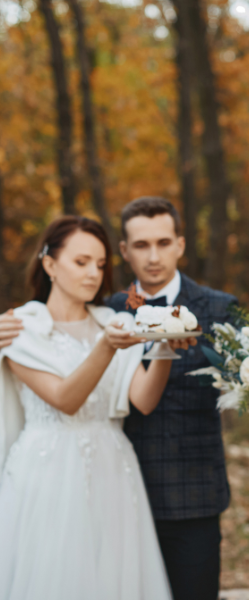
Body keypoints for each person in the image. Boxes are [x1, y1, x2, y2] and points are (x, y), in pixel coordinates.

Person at [0, 216, 190, 600]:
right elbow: (66, 400)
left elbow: (143, 400)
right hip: (48, 472)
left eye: (101, 265)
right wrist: (106, 347)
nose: (93, 274)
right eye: (81, 262)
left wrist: (165, 346)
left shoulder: (113, 320)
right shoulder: (21, 328)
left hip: (112, 469)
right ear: (50, 264)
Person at [105, 197, 236, 600]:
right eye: (141, 246)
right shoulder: (108, 310)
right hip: (123, 494)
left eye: (163, 243)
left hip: (194, 495)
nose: (154, 256)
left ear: (180, 244)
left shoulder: (219, 308)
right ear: (125, 251)